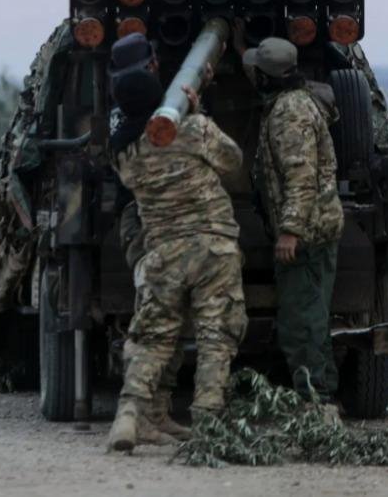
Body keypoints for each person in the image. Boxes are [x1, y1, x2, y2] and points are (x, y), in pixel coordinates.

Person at [106, 69, 247, 453]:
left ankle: (130, 416)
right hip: (214, 248)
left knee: (152, 338)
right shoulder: (194, 129)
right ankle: (207, 422)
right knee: (216, 336)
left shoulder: (125, 154)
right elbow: (233, 160)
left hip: (163, 254)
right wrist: (198, 113)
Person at [243, 37, 344, 402]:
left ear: (266, 77)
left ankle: (315, 400)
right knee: (312, 315)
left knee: (300, 323)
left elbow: (301, 176)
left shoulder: (289, 114)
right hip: (317, 226)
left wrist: (289, 231)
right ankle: (323, 392)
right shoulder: (298, 98)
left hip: (307, 234)